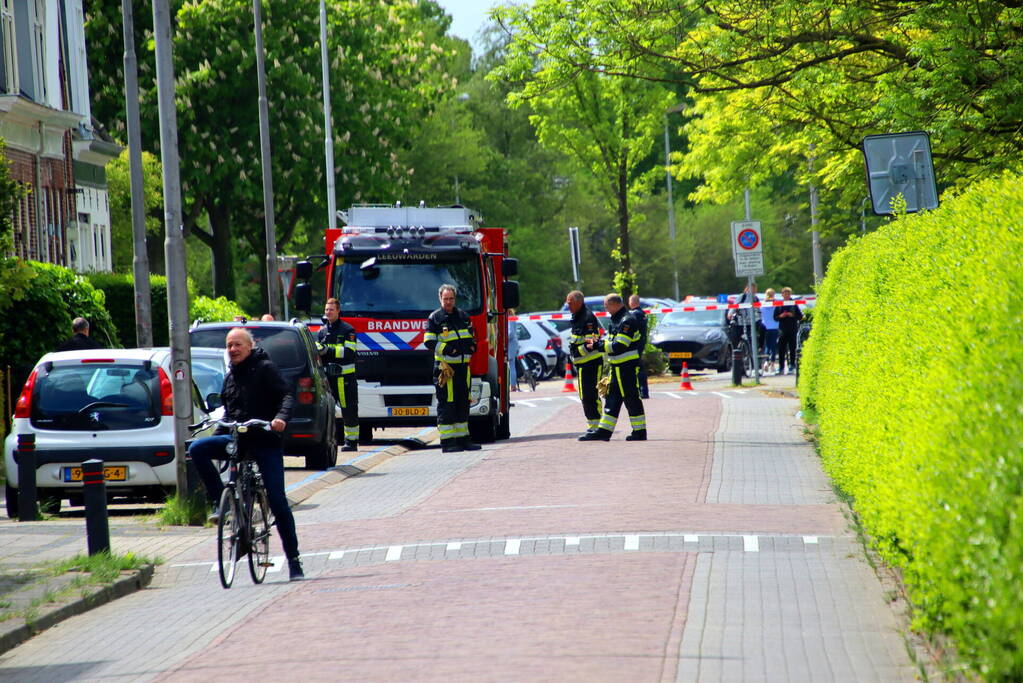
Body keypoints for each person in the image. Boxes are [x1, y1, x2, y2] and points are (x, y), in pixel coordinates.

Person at [188, 328, 304, 580]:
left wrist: (280, 418)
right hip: (237, 439)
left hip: (264, 440)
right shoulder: (230, 377)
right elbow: (229, 414)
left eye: (238, 345)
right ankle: (224, 504)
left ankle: (294, 561)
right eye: (229, 345)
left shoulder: (265, 369)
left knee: (277, 498)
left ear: (250, 346)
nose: (233, 349)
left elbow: (286, 395)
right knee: (197, 448)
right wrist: (218, 434)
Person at [579, 293, 646, 442]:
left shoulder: (627, 320)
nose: (605, 309)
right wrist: (599, 341)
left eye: (606, 306)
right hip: (616, 367)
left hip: (626, 367)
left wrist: (598, 345)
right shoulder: (616, 320)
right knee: (612, 399)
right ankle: (604, 431)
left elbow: (620, 345)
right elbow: (611, 341)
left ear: (615, 304)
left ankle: (640, 431)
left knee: (631, 398)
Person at [424, 284, 481, 453]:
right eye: (445, 299)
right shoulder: (434, 318)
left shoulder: (463, 316)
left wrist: (472, 347)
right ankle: (448, 442)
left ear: (455, 299)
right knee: (447, 404)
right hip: (445, 369)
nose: (448, 302)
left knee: (463, 402)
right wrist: (448, 349)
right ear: (440, 299)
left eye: (451, 299)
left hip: (464, 368)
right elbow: (429, 341)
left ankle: (463, 440)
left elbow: (472, 337)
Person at [316, 298, 359, 451]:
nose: (328, 312)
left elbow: (349, 352)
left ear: (338, 311)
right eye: (326, 309)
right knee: (327, 410)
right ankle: (331, 440)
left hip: (345, 377)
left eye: (331, 309)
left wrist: (328, 350)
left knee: (349, 409)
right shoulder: (321, 332)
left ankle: (351, 441)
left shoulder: (348, 330)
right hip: (327, 377)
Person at [566, 290, 604, 433]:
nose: (568, 306)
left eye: (570, 303)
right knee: (585, 396)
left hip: (591, 363)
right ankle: (593, 426)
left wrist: (577, 352)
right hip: (583, 363)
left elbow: (592, 341)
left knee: (591, 396)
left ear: (579, 302)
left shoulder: (587, 318)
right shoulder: (577, 316)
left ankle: (598, 426)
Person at [774, 287, 804, 375]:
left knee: (792, 348)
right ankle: (781, 367)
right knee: (781, 349)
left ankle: (792, 365)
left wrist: (793, 315)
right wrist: (780, 316)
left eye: (788, 294)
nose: (786, 295)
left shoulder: (794, 304)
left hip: (792, 328)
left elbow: (800, 316)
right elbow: (775, 317)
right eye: (785, 293)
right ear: (782, 294)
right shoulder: (779, 304)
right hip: (782, 329)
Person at [628, 294, 650, 399]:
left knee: (637, 368)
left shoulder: (634, 314)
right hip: (641, 343)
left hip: (635, 345)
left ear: (632, 302)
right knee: (639, 367)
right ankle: (643, 391)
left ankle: (642, 391)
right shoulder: (642, 313)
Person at [760, 288, 780, 374]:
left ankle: (765, 362)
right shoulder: (776, 303)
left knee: (767, 345)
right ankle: (772, 364)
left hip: (765, 326)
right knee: (774, 346)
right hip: (775, 326)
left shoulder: (762, 304)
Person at [507, 309, 519, 391]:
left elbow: (510, 333)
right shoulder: (513, 318)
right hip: (513, 343)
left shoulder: (509, 318)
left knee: (511, 365)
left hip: (510, 344)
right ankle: (513, 385)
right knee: (512, 365)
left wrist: (503, 338)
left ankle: (513, 386)